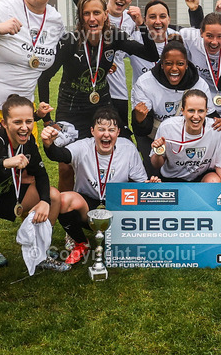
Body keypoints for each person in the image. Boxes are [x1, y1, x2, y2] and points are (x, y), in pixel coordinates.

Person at [36, 0, 157, 191]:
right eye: (86, 14)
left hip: (101, 108)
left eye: (96, 13)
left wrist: (142, 25)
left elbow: (151, 54)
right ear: (80, 18)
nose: (92, 18)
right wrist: (47, 120)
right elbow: (45, 77)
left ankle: (109, 203)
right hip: (71, 110)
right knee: (66, 168)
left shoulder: (114, 37)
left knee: (113, 155)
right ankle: (68, 213)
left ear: (105, 14)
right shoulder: (69, 40)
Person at [0, 95, 68, 287]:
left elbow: (40, 174)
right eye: (17, 122)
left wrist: (44, 201)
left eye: (29, 121)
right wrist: (4, 163)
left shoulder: (27, 142)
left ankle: (40, 255)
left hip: (7, 199)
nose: (24, 127)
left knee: (52, 196)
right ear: (4, 123)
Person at [41, 106, 151, 266]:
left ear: (118, 132)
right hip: (87, 207)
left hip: (117, 206)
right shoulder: (83, 146)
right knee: (63, 200)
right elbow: (59, 155)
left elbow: (140, 184)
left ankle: (124, 239)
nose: (106, 134)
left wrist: (151, 186)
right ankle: (81, 243)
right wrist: (48, 144)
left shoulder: (128, 148)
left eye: (111, 130)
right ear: (92, 131)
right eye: (101, 129)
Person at [62, 0, 140, 132]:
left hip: (118, 89)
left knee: (121, 135)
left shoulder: (132, 20)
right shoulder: (93, 6)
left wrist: (142, 23)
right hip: (89, 88)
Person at [131, 41, 219, 168]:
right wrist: (139, 119)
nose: (174, 68)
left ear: (187, 65)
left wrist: (218, 122)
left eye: (180, 64)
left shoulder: (199, 83)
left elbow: (209, 117)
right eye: (168, 63)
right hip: (155, 136)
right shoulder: (145, 83)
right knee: (155, 174)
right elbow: (142, 130)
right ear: (161, 65)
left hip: (188, 136)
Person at [180, 5, 221, 171]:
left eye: (220, 36)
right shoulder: (189, 38)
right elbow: (171, 34)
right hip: (203, 106)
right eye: (209, 36)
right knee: (204, 146)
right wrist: (195, 9)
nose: (214, 41)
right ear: (201, 33)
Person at [150, 89, 221, 182]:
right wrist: (157, 153)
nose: (196, 116)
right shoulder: (167, 127)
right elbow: (156, 164)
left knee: (214, 180)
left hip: (201, 175)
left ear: (207, 111)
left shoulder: (217, 129)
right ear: (182, 111)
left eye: (200, 111)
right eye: (191, 111)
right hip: (172, 177)